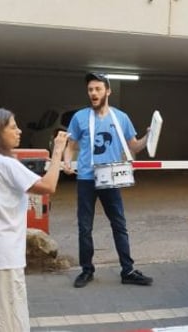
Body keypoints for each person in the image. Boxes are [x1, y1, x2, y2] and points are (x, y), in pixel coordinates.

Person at [0, 108, 68, 332]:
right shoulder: (4, 164)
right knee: (7, 320)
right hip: (1, 256)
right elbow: (48, 186)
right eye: (12, 127)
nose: (19, 131)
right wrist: (59, 150)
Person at [62, 72, 153, 288]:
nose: (93, 93)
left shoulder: (120, 117)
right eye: (90, 90)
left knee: (119, 224)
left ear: (107, 91)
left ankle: (128, 270)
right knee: (85, 227)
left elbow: (133, 146)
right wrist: (67, 162)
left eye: (98, 89)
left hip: (110, 178)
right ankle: (86, 270)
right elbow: (71, 145)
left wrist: (149, 136)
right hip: (86, 178)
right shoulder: (80, 117)